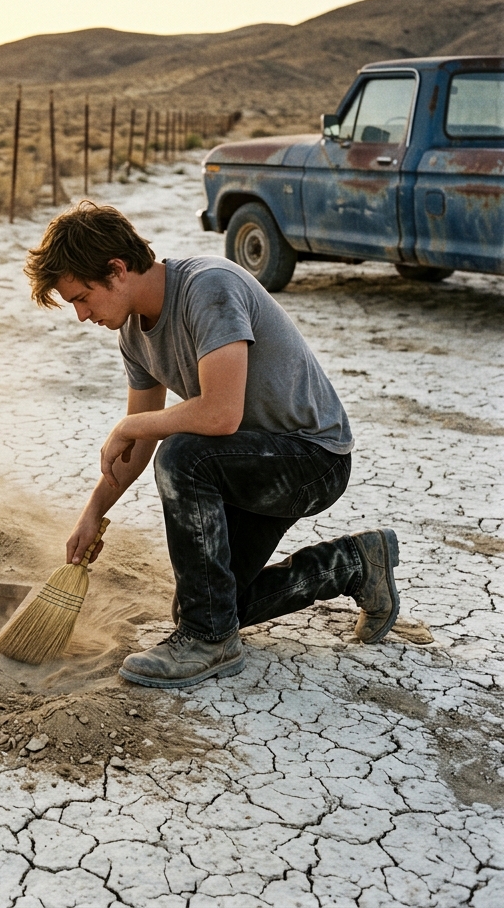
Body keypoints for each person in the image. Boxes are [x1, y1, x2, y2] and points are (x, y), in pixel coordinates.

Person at [24, 202, 399, 689]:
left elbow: (221, 415)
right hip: (250, 463)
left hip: (312, 459)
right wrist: (92, 511)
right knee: (208, 603)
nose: (80, 315)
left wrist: (131, 427)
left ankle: (208, 644)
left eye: (81, 297)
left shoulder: (208, 287)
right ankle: (355, 564)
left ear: (116, 270)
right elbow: (139, 442)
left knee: (181, 455)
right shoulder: (134, 333)